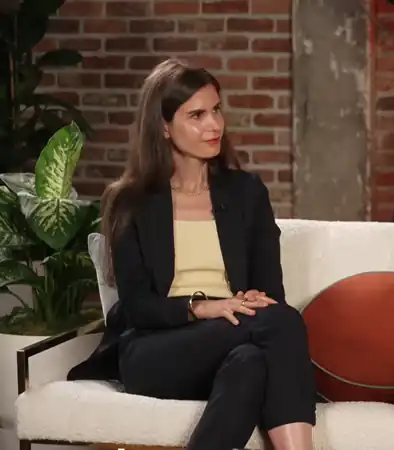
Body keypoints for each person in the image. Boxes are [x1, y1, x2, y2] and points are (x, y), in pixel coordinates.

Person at [67, 58, 316, 450]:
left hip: (232, 340)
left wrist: (253, 298)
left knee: (251, 363)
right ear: (164, 126)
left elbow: (271, 292)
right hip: (155, 350)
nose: (214, 125)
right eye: (197, 115)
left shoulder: (246, 192)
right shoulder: (131, 200)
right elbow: (137, 306)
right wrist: (201, 308)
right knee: (280, 324)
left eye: (216, 110)